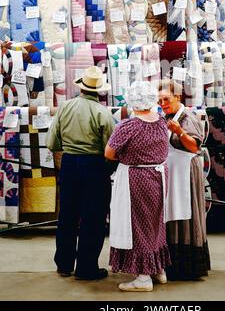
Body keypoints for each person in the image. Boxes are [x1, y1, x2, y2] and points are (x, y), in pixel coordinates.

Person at [46, 66, 115, 280]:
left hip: (69, 164)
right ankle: (86, 268)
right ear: (100, 91)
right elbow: (110, 150)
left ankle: (64, 264)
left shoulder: (65, 107)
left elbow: (52, 142)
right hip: (94, 166)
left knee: (67, 215)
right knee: (92, 218)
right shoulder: (103, 113)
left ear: (81, 87)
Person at [105, 81, 171, 292]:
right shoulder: (161, 121)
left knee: (138, 224)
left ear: (131, 100)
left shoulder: (128, 126)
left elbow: (109, 153)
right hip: (159, 175)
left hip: (137, 177)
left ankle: (143, 278)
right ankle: (157, 268)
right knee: (155, 222)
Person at [158, 78, 211, 281]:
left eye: (166, 99)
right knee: (172, 212)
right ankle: (172, 262)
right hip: (171, 170)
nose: (162, 104)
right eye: (160, 100)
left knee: (186, 212)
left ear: (177, 97)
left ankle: (187, 266)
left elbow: (194, 147)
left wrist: (179, 131)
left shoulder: (188, 117)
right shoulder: (165, 116)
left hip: (185, 172)